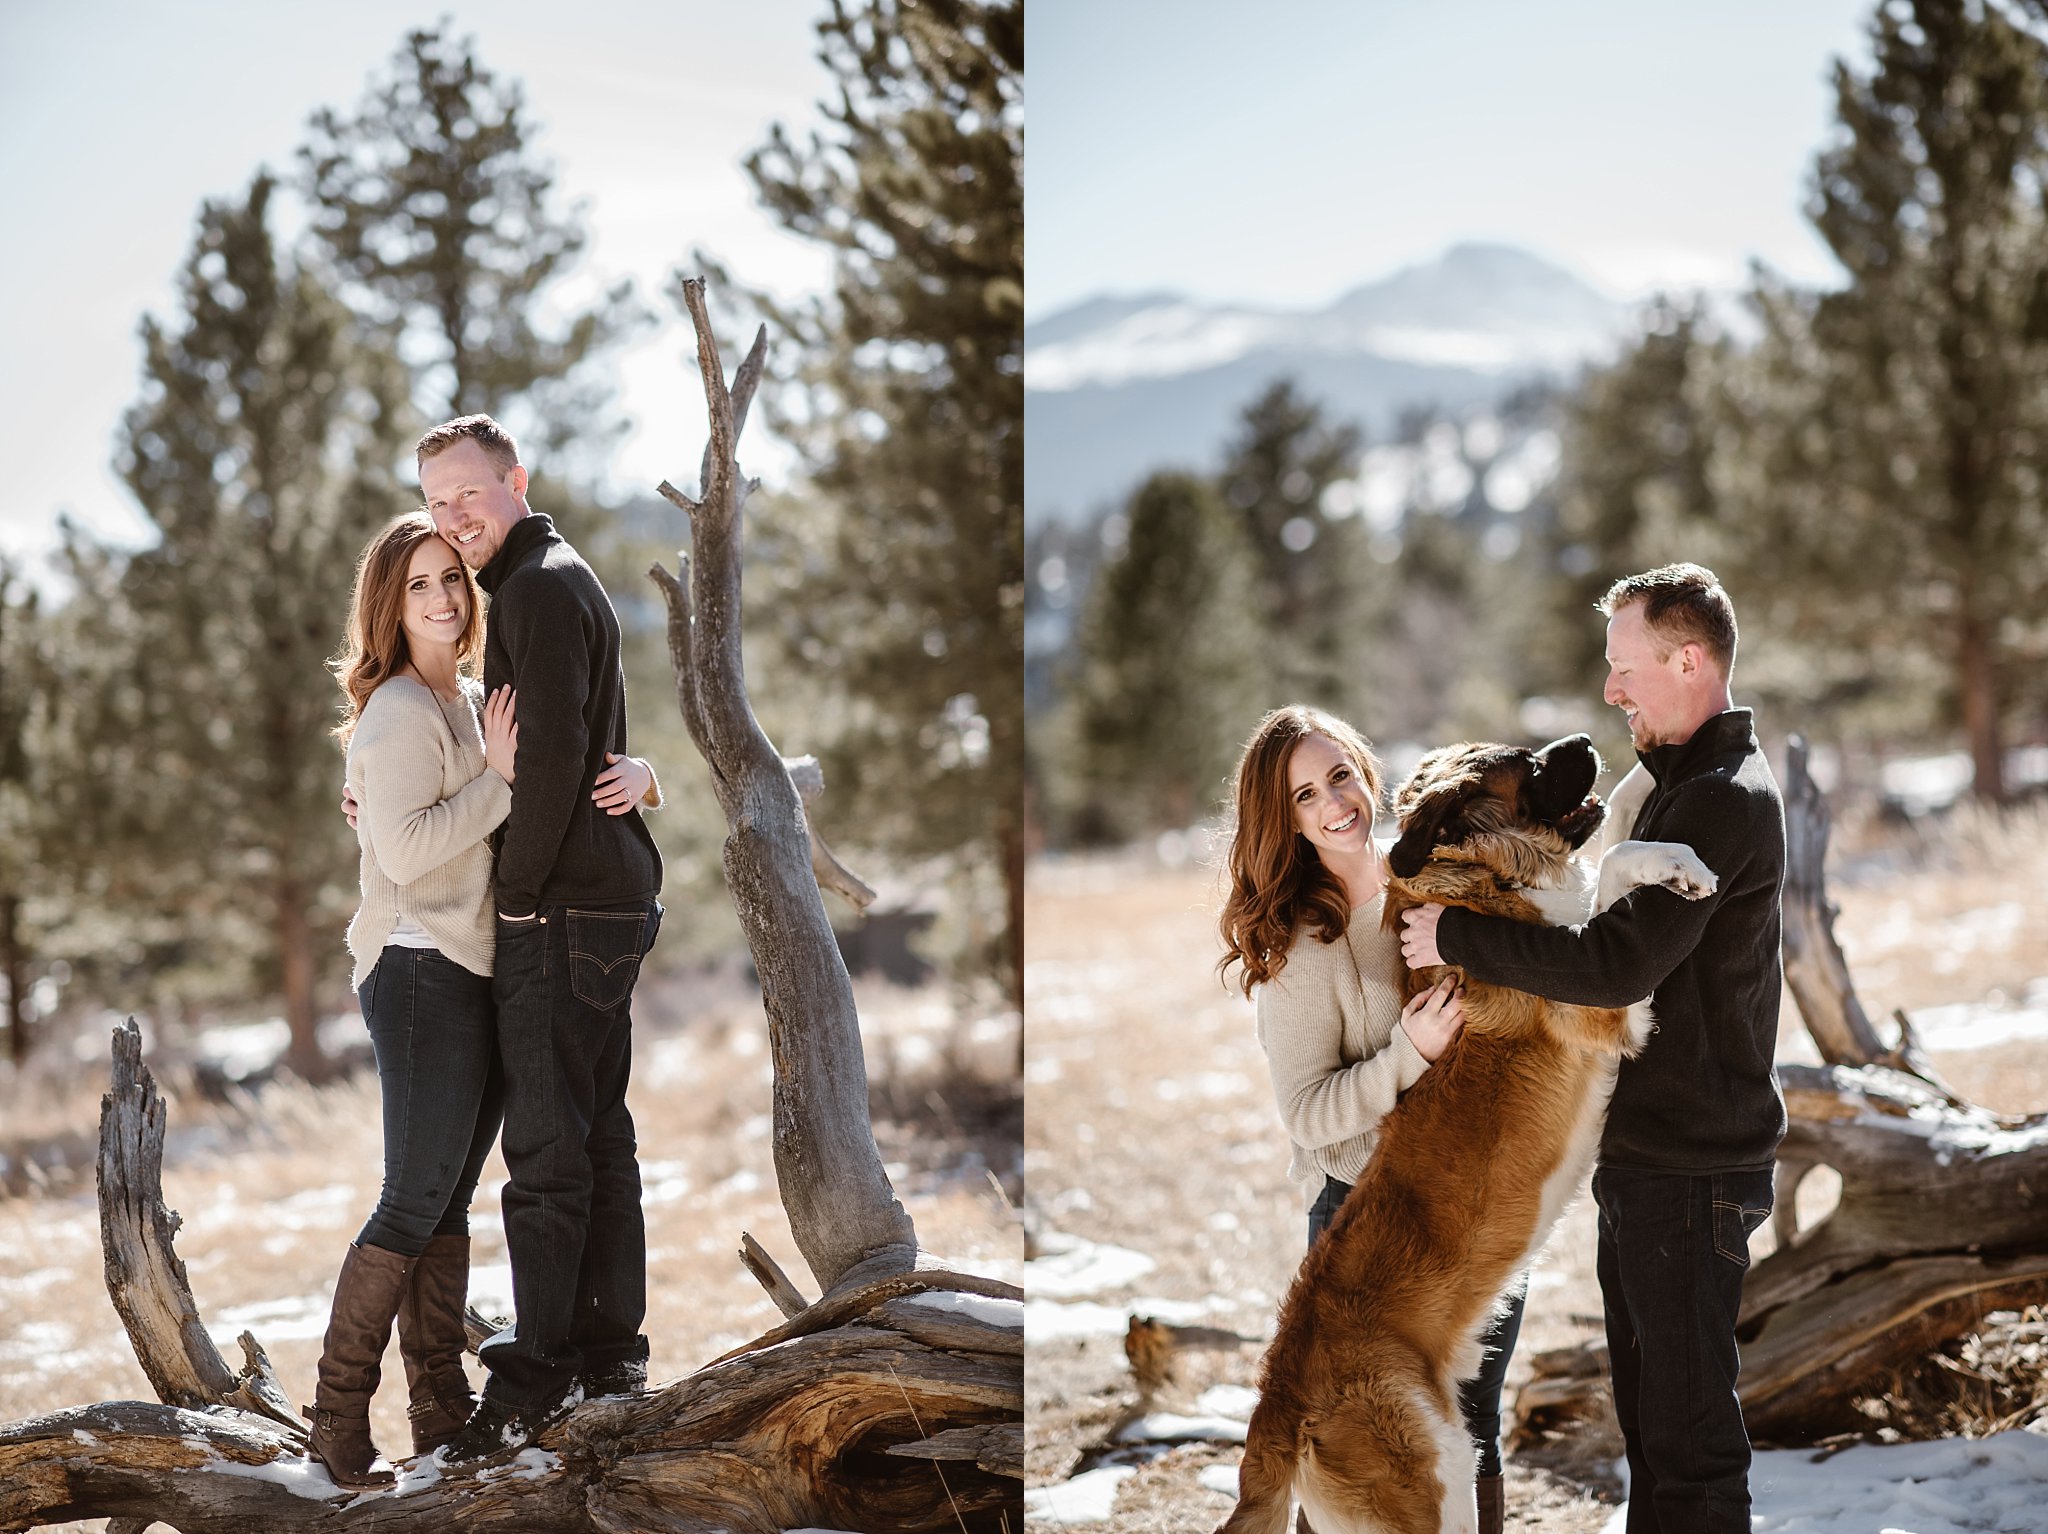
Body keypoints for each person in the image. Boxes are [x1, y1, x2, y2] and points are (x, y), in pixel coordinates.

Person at [1399, 563, 1786, 1534]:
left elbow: (1615, 963)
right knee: (1653, 1443)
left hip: (1690, 1168)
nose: (1609, 689)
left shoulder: (1718, 797)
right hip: (1652, 1162)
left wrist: (1456, 936)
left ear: (1688, 659)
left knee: (1689, 1453)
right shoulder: (1669, 784)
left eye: (1624, 668)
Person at [312, 512, 656, 1488]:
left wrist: (645, 776)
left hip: (478, 964)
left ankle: (441, 1407)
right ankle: (335, 1421)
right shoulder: (393, 711)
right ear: (388, 603)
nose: (442, 598)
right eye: (418, 584)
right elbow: (418, 848)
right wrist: (503, 781)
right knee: (412, 1197)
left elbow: (553, 773)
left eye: (452, 581)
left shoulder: (466, 698)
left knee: (448, 1203)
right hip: (419, 968)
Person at [410, 415, 668, 1467]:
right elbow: (586, 732)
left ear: (514, 479)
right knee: (598, 1134)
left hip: (563, 904)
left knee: (548, 1154)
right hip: (603, 892)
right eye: (435, 502)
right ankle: (609, 1356)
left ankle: (532, 1388)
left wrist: (515, 898)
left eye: (468, 492)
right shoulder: (559, 577)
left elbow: (553, 760)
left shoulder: (533, 588)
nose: (454, 517)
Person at [1218, 703, 1518, 1534]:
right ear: (1284, 820)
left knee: (1477, 1421)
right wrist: (1409, 1053)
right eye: (1305, 795)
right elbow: (1309, 1115)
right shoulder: (1298, 942)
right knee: (1366, 1442)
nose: (1333, 803)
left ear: (1365, 769)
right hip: (1368, 1218)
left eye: (1339, 775)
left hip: (1476, 1202)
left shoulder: (1433, 880)